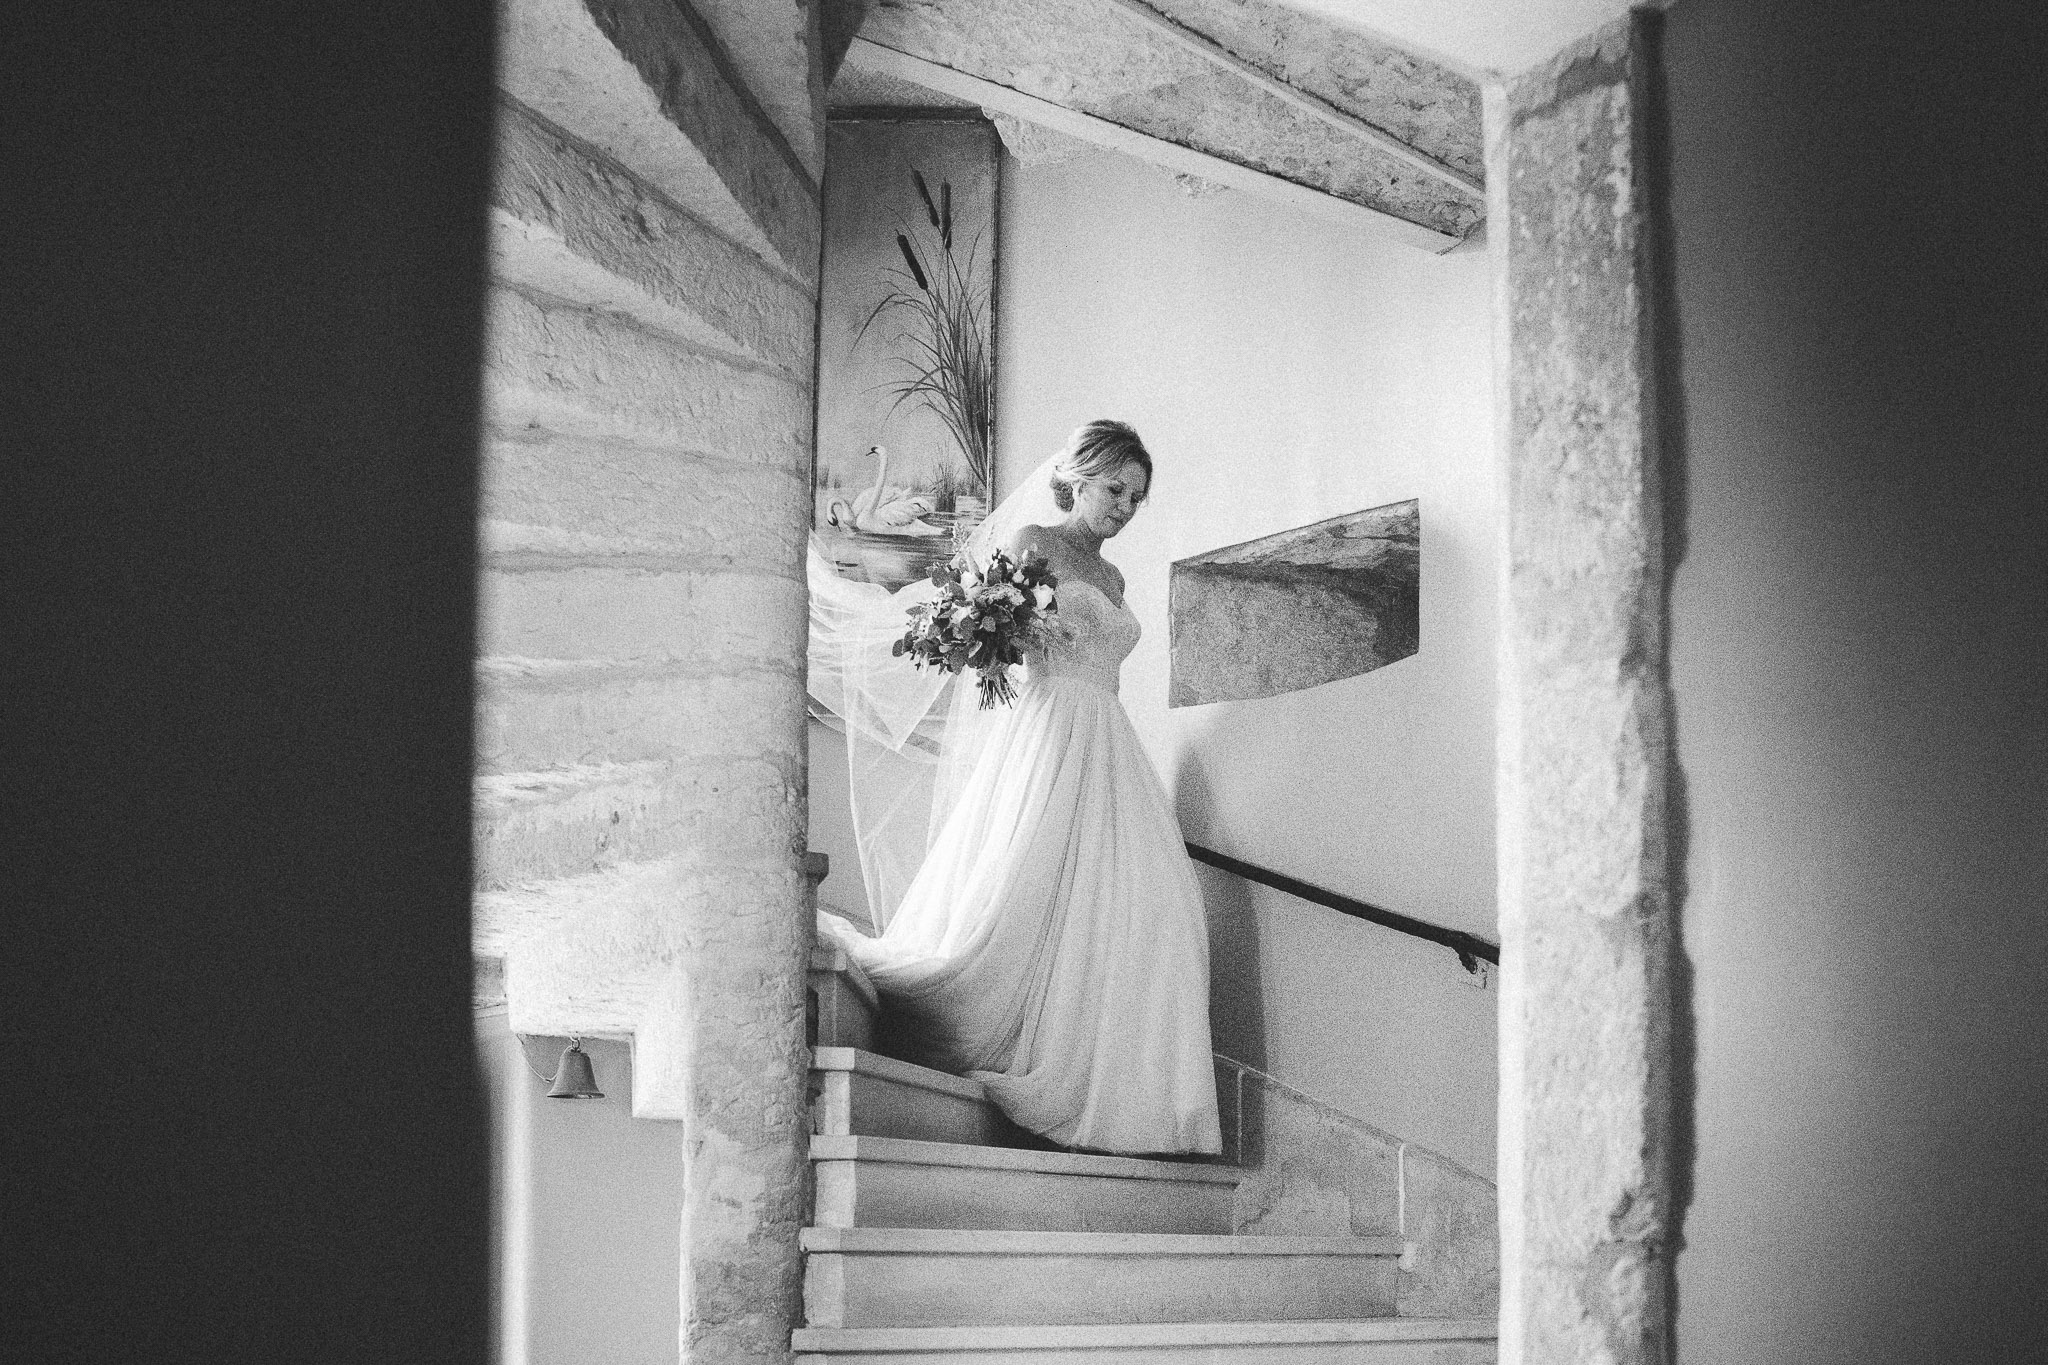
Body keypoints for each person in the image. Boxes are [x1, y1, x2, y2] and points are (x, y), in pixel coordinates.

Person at [809, 421, 1222, 1156]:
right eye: (1114, 489)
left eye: (1136, 497)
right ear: (1079, 478)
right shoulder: (1033, 540)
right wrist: (1007, 636)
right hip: (1049, 725)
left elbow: (1111, 665)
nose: (1124, 506)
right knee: (1024, 890)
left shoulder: (1117, 581)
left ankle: (1136, 1100)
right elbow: (975, 634)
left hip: (1108, 738)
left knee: (1160, 905)